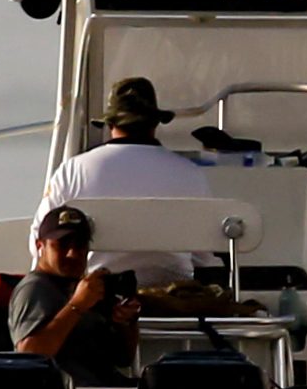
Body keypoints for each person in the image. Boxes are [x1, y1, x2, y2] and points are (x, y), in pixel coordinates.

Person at [41, 75, 211, 281]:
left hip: (98, 294)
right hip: (173, 294)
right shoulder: (190, 173)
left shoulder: (74, 170)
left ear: (109, 123)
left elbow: (40, 239)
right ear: (155, 122)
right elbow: (204, 256)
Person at [5, 204, 139, 387]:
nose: (72, 253)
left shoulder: (84, 289)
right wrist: (77, 306)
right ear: (40, 246)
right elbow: (30, 356)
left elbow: (123, 357)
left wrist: (125, 321)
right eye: (62, 244)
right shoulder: (35, 288)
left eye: (80, 245)